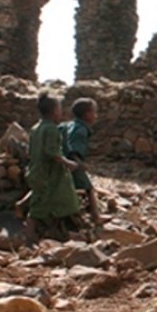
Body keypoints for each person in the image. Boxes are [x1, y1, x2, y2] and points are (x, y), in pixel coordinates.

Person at [24, 93, 82, 239]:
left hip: (36, 171)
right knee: (44, 206)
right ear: (55, 111)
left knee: (42, 203)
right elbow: (53, 153)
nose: (61, 112)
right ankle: (31, 240)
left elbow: (30, 151)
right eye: (60, 108)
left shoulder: (35, 128)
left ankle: (55, 233)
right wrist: (69, 163)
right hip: (49, 174)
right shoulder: (51, 129)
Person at [63, 98, 102, 230]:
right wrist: (79, 163)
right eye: (94, 112)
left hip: (64, 161)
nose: (96, 115)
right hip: (72, 163)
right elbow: (73, 147)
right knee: (88, 188)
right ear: (87, 115)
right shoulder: (81, 130)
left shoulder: (70, 125)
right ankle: (96, 217)